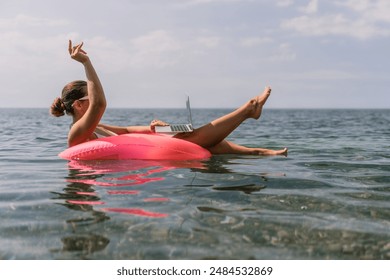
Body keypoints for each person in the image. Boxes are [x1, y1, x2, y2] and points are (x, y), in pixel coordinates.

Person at [50, 41, 287, 156]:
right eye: (89, 96)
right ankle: (249, 110)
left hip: (146, 147)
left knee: (189, 135)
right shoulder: (76, 134)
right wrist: (86, 62)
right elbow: (101, 103)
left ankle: (259, 152)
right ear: (80, 105)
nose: (95, 98)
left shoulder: (97, 126)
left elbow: (124, 130)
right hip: (139, 164)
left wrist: (153, 129)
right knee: (195, 139)